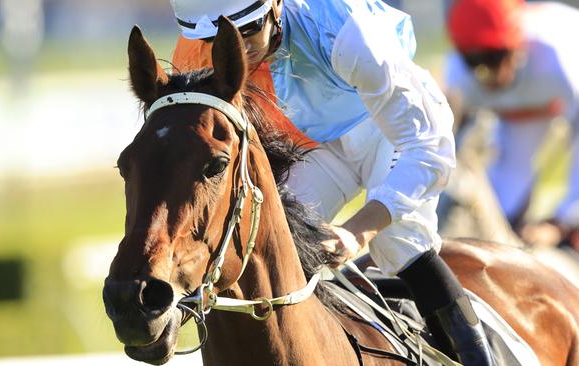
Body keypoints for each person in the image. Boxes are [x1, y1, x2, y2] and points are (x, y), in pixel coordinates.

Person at [169, 0, 493, 364]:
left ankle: (478, 357)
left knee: (400, 243)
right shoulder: (193, 53)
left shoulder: (346, 32)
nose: (238, 48)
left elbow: (429, 148)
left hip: (391, 130)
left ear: (276, 5)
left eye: (248, 30)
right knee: (277, 242)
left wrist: (358, 231)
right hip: (318, 142)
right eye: (218, 38)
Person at [445, 0, 579, 251]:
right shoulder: (457, 75)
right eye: (474, 60)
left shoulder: (557, 61)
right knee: (502, 215)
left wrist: (563, 222)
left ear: (518, 44)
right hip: (524, 109)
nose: (486, 73)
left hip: (559, 86)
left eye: (494, 57)